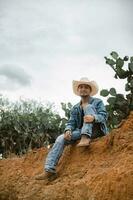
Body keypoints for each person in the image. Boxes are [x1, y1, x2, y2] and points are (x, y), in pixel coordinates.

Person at [35, 77, 108, 181]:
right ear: (78, 90)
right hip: (80, 131)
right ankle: (49, 170)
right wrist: (68, 130)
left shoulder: (98, 102)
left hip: (96, 131)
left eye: (86, 87)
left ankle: (85, 136)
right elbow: (71, 122)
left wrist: (93, 117)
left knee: (88, 107)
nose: (83, 89)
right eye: (81, 87)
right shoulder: (75, 108)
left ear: (90, 90)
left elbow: (104, 116)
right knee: (61, 138)